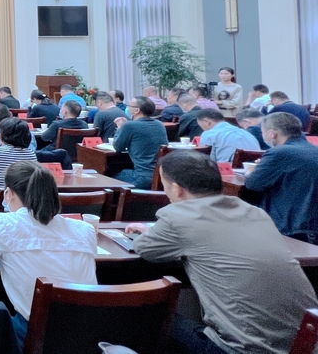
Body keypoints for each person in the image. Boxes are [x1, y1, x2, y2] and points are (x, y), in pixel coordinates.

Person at [126, 151, 317, 354]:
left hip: (241, 349)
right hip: (306, 345)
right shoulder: (255, 213)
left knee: (143, 312)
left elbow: (145, 249)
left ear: (177, 189)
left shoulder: (179, 216)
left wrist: (155, 234)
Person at [0, 161, 97, 347]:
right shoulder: (85, 230)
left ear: (9, 193)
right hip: (87, 334)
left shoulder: (2, 225)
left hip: (36, 335)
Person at [246, 113, 318, 244]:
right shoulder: (313, 149)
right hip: (309, 222)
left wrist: (253, 170)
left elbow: (253, 184)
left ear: (272, 134)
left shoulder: (279, 153)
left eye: (262, 132)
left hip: (290, 226)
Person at [111, 96, 169, 189]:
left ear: (137, 110)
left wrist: (120, 127)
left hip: (142, 177)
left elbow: (118, 147)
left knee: (109, 174)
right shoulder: (159, 124)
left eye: (129, 106)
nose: (127, 107)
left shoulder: (129, 125)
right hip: (161, 176)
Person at [195, 109, 260, 163]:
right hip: (253, 169)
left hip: (226, 170)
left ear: (207, 122)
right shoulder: (247, 133)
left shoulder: (209, 134)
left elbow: (207, 161)